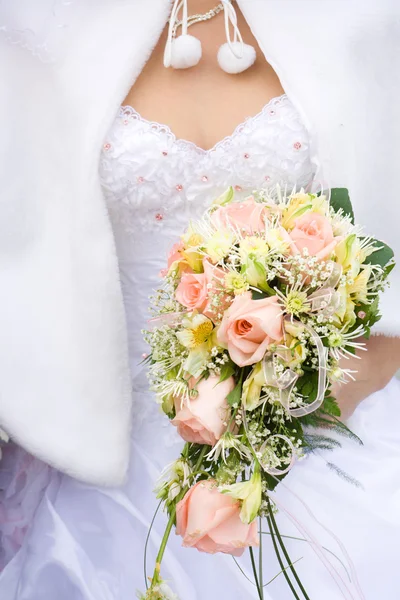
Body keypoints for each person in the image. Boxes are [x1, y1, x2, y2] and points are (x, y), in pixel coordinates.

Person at [0, 1, 399, 598]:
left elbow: (384, 245)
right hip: (107, 446)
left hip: (321, 419)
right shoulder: (35, 30)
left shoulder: (359, 18)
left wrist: (271, 427)